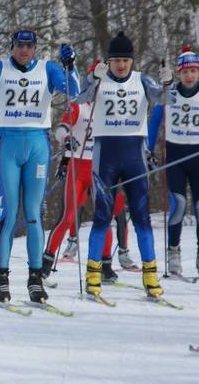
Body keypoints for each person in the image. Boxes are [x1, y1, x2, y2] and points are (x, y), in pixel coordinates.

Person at [0, 29, 80, 303]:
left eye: (29, 46)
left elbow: (74, 92)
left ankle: (35, 279)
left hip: (37, 144)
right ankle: (1, 278)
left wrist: (71, 65)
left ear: (35, 48)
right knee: (9, 213)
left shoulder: (47, 69)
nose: (24, 50)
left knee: (33, 214)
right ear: (12, 47)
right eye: (19, 45)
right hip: (7, 143)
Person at [74, 31, 169, 298]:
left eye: (125, 60)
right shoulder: (100, 80)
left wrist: (168, 84)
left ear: (132, 61)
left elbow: (166, 101)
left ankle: (150, 276)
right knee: (102, 216)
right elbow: (79, 98)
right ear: (109, 61)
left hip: (134, 154)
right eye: (116, 60)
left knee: (141, 217)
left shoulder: (142, 80)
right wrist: (93, 78)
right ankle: (93, 274)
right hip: (105, 155)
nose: (121, 65)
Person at [42, 62, 137, 282]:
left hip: (102, 169)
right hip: (78, 168)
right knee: (68, 217)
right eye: (96, 80)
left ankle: (105, 266)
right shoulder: (78, 105)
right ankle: (46, 262)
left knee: (104, 216)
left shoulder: (111, 106)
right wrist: (67, 139)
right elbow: (61, 129)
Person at [147, 45, 199, 276]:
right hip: (175, 155)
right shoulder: (169, 93)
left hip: (197, 155)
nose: (189, 75)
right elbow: (155, 121)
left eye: (194, 71)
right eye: (185, 71)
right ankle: (173, 250)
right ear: (178, 73)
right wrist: (147, 149)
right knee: (178, 204)